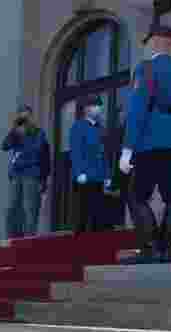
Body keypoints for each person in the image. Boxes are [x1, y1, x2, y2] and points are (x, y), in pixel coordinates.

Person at [119, 24, 171, 264]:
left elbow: (137, 110)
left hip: (150, 140)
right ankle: (165, 249)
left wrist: (127, 149)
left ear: (153, 42)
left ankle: (151, 249)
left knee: (137, 196)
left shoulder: (147, 68)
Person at [2, 105, 51, 238]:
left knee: (29, 208)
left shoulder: (38, 133)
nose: (24, 119)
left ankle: (29, 238)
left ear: (31, 117)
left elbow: (40, 153)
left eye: (26, 116)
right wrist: (14, 131)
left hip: (32, 173)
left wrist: (43, 179)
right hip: (16, 174)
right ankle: (12, 238)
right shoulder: (16, 133)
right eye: (21, 116)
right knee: (13, 207)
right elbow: (5, 146)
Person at [69, 95, 110, 234]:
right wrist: (80, 172)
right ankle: (78, 247)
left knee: (98, 215)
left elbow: (104, 154)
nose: (98, 108)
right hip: (84, 177)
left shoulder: (100, 128)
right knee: (82, 214)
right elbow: (76, 152)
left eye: (99, 105)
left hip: (98, 177)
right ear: (87, 108)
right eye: (94, 105)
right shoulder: (78, 126)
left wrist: (107, 175)